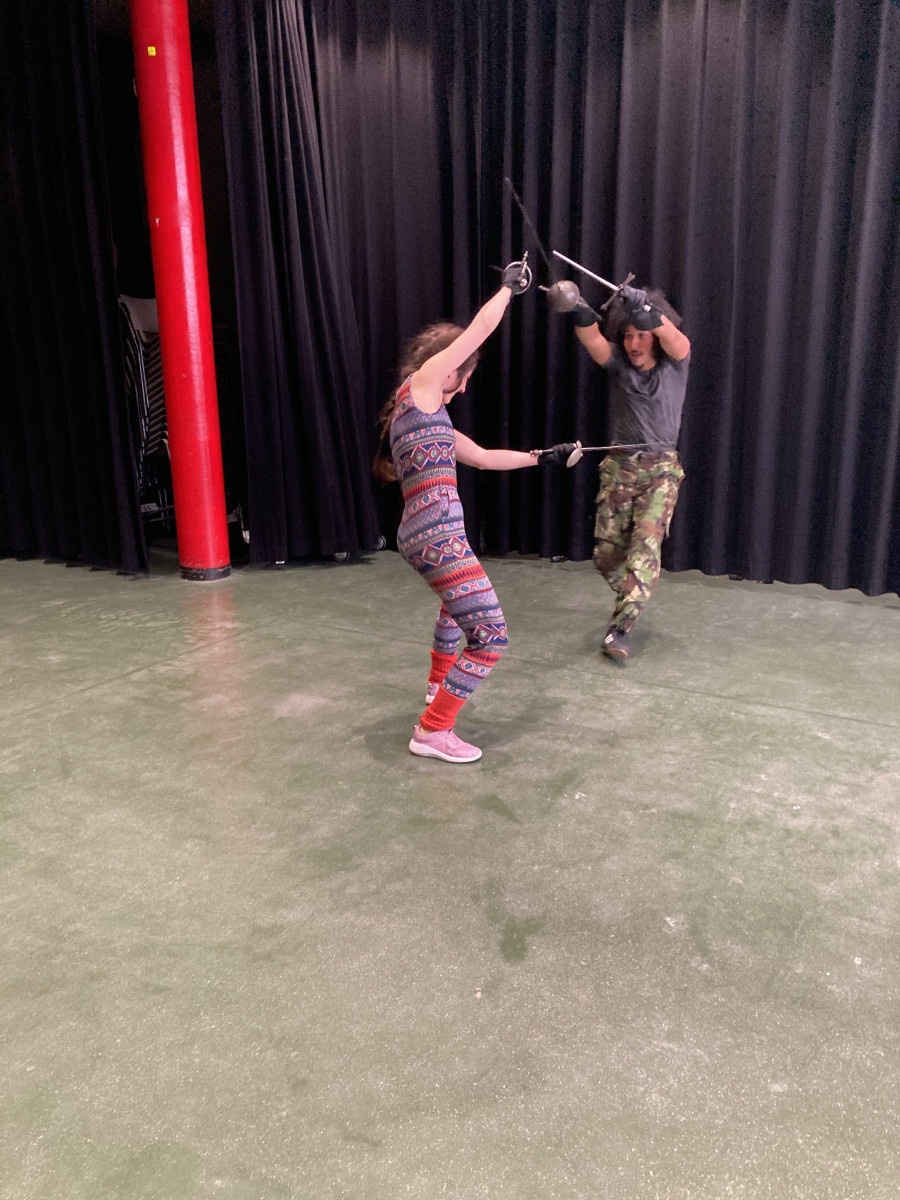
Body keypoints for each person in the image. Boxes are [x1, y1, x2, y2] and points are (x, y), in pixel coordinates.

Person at [374, 260, 575, 763]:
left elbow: (484, 457)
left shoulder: (430, 417)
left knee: (454, 608)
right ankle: (433, 730)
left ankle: (435, 688)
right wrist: (508, 289)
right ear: (450, 367)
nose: (464, 387)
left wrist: (543, 457)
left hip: (425, 536)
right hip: (436, 538)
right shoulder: (422, 387)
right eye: (464, 377)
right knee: (491, 638)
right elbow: (480, 329)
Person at [566, 284, 691, 662]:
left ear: (653, 336)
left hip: (660, 472)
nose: (634, 343)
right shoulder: (619, 362)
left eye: (641, 335)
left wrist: (647, 312)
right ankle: (638, 587)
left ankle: (619, 628)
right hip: (619, 469)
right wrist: (577, 307)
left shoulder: (675, 363)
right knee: (606, 557)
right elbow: (592, 338)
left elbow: (677, 340)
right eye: (629, 335)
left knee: (645, 550)